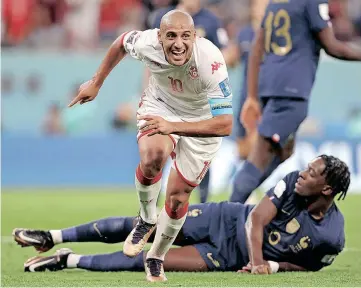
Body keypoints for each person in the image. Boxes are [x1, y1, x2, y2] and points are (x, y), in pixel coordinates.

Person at [65, 10, 233, 282]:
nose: (178, 43)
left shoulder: (211, 61)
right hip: (161, 105)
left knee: (178, 199)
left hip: (203, 120)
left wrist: (174, 127)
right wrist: (97, 82)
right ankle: (146, 218)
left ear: (194, 37)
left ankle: (156, 256)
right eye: (171, 36)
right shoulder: (146, 43)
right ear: (159, 36)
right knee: (153, 155)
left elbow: (225, 124)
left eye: (185, 36)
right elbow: (120, 42)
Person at [15, 155, 350, 275]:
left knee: (149, 259)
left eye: (313, 172)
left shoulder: (332, 237)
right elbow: (255, 221)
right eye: (307, 168)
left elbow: (307, 266)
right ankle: (53, 237)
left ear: (326, 190)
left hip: (224, 256)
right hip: (225, 219)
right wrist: (260, 262)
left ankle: (67, 260)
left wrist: (276, 266)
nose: (303, 173)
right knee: (145, 227)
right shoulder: (292, 183)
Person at [230, 0, 361, 204]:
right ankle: (228, 216)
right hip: (291, 91)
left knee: (284, 151)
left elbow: (257, 48)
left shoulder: (275, 2)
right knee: (260, 156)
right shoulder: (312, 2)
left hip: (271, 86)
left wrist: (253, 97)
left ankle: (241, 202)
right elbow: (333, 47)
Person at [150, 0, 229, 203]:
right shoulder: (164, 18)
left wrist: (209, 66)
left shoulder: (211, 21)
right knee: (160, 148)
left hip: (198, 99)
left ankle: (202, 201)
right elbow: (149, 58)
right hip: (167, 95)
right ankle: (153, 199)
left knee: (201, 149)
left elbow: (226, 53)